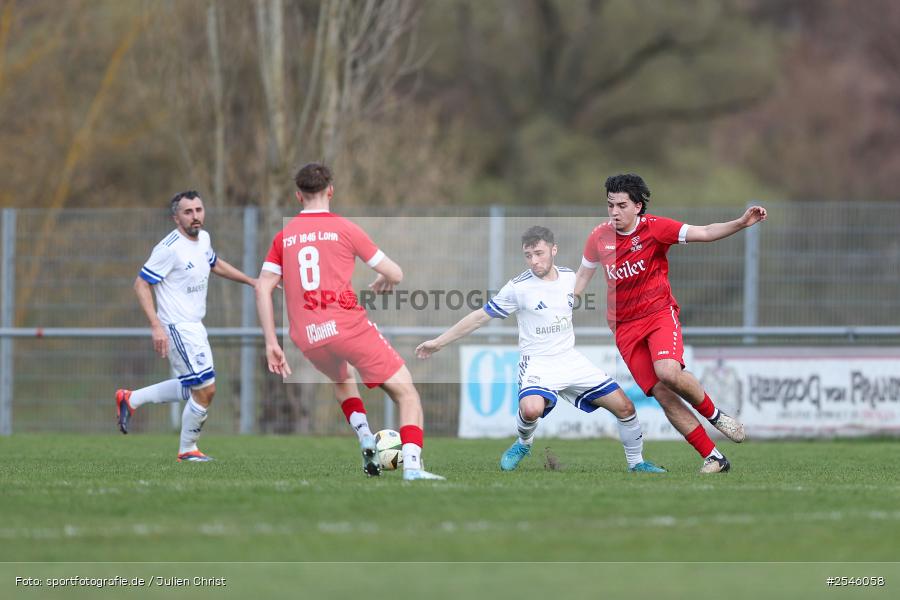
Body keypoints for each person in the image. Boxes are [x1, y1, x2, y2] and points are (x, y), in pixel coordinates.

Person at [416, 226, 666, 474]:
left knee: (625, 407)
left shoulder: (570, 278)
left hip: (570, 360)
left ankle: (637, 463)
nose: (534, 261)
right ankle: (524, 443)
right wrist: (438, 342)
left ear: (553, 250)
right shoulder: (517, 287)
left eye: (539, 253)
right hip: (537, 363)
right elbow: (479, 317)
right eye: (528, 255)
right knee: (531, 409)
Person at [255, 162, 444, 481]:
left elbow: (262, 287)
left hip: (308, 335)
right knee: (406, 392)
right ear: (330, 190)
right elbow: (395, 272)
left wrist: (272, 343)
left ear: (298, 196)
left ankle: (365, 437)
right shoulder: (345, 228)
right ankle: (412, 466)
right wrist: (386, 279)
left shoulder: (283, 237)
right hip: (346, 326)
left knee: (342, 378)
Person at [575, 174, 767, 473]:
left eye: (622, 205)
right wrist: (567, 301)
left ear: (638, 206)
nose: (614, 212)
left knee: (668, 372)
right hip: (624, 328)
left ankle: (716, 416)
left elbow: (704, 232)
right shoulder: (599, 237)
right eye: (610, 205)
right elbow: (582, 276)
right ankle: (714, 457)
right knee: (662, 394)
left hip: (658, 315)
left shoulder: (656, 228)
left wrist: (740, 223)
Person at [116, 190, 258, 462]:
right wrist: (156, 326)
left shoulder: (203, 239)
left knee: (198, 385)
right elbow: (141, 283)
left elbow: (215, 264)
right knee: (207, 389)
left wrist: (250, 281)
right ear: (176, 217)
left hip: (196, 325)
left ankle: (130, 399)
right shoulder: (168, 248)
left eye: (198, 210)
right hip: (177, 327)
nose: (195, 216)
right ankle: (187, 449)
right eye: (188, 212)